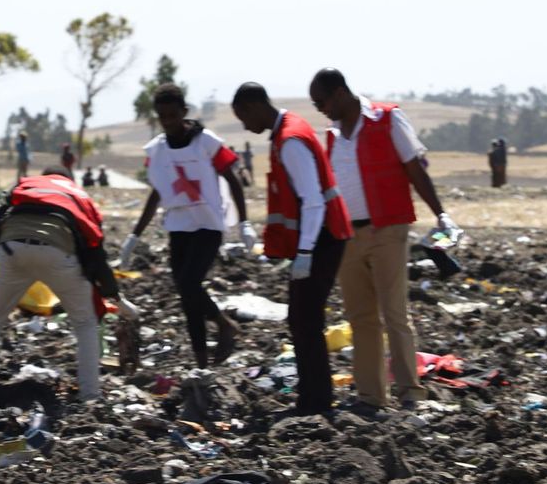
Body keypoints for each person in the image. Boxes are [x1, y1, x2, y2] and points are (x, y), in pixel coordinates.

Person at [309, 68, 459, 415]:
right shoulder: (332, 136)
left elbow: (414, 169)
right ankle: (370, 396)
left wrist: (440, 214)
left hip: (387, 229)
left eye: (322, 102)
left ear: (339, 93)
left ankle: (409, 393)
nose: (321, 110)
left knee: (394, 313)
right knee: (362, 318)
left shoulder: (387, 119)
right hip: (348, 235)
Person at [0, 168, 136, 415]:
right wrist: (115, 296)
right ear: (68, 180)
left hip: (11, 249)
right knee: (85, 323)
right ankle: (90, 398)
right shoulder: (75, 196)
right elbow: (95, 250)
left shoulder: (25, 190)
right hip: (57, 251)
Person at [232, 83, 353, 415]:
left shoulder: (289, 141)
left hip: (322, 238)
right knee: (303, 320)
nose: (244, 125)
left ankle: (315, 403)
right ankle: (313, 399)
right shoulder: (287, 132)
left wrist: (305, 253)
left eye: (243, 115)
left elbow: (313, 201)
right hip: (321, 238)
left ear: (256, 106)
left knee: (305, 321)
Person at [119, 84, 252, 367]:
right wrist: (134, 235)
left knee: (190, 283)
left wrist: (244, 222)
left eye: (172, 115)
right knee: (186, 292)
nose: (168, 121)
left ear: (183, 112)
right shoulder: (157, 150)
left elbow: (232, 179)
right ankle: (201, 363)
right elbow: (157, 192)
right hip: (179, 225)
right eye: (162, 116)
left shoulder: (206, 142)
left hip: (208, 224)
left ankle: (224, 325)